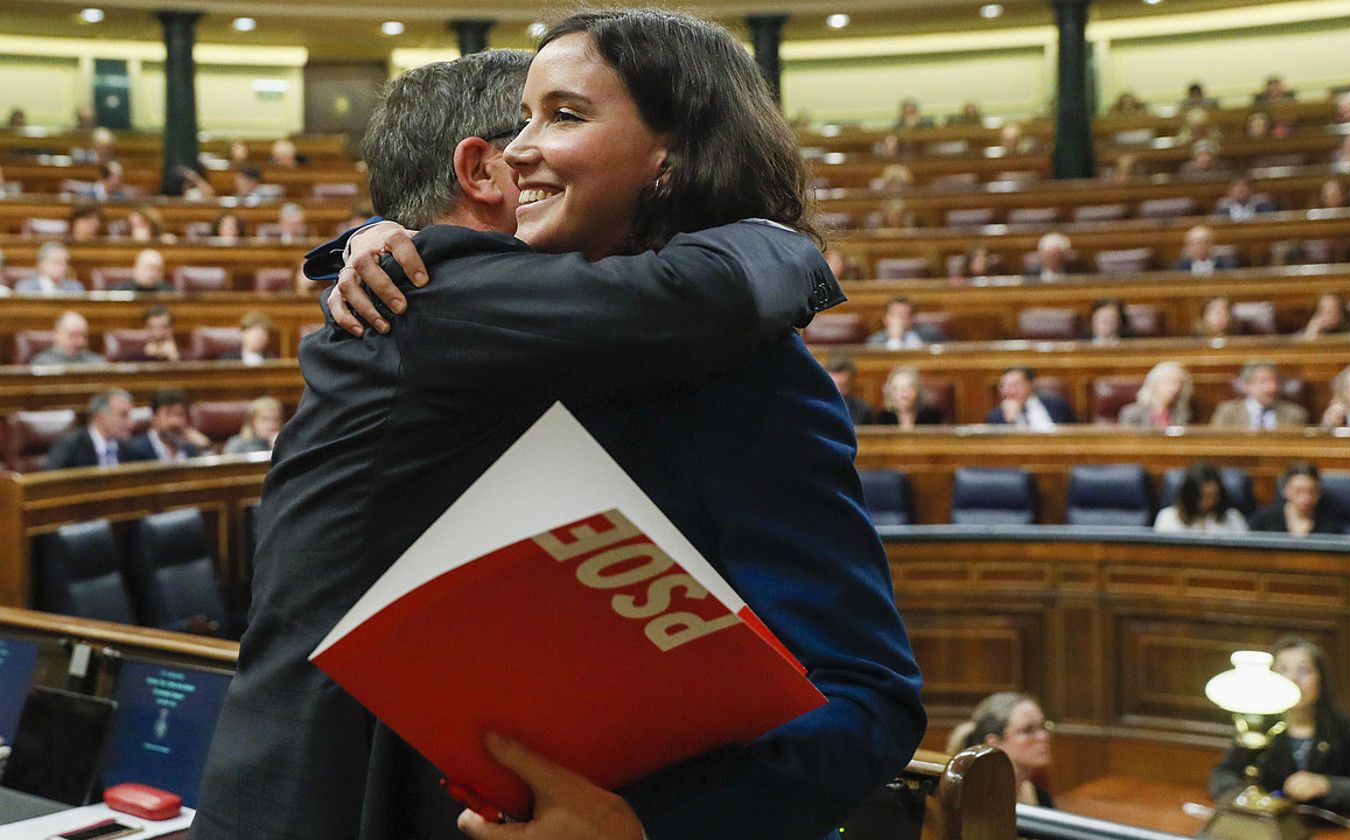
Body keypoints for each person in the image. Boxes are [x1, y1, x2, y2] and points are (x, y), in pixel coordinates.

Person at [193, 29, 921, 840]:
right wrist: (369, 233)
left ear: (672, 153)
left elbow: (866, 693)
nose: (522, 151)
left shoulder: (751, 377)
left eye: (562, 116)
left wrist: (649, 828)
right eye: (519, 124)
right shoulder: (416, 300)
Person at [1209, 637, 1350, 817]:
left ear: (1321, 680)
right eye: (1282, 670)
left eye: (1304, 670)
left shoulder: (1346, 730)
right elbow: (1222, 775)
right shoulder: (1256, 725)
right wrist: (1249, 801)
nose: (1292, 678)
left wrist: (1327, 785)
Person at [947, 693, 1054, 807]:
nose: (1043, 737)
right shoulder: (973, 800)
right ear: (994, 743)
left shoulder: (1039, 797)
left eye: (1043, 726)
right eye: (1028, 730)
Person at [47, 389, 149, 469]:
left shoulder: (129, 449)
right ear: (101, 417)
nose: (132, 423)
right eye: (123, 415)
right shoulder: (69, 447)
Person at [1247, 462, 1341, 536]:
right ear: (1285, 490)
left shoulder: (1331, 527)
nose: (1305, 498)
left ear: (1319, 493)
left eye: (1311, 491)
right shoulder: (1263, 520)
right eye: (1298, 491)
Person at [1153, 462, 1248, 533]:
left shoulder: (1233, 518)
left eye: (1215, 496)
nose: (1210, 501)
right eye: (1204, 497)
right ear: (1190, 496)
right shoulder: (1167, 518)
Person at [1211, 361, 1308, 430]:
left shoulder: (1295, 415)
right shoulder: (1227, 413)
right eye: (1264, 381)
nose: (1272, 387)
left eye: (1275, 381)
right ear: (1247, 385)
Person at [128, 388, 209, 462]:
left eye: (180, 415)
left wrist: (205, 447)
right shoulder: (135, 449)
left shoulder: (190, 448)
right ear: (154, 418)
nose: (175, 422)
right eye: (169, 414)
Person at [985, 366, 1074, 429]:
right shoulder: (996, 416)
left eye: (1015, 385)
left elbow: (1075, 433)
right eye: (1004, 385)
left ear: (1031, 385)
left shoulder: (1056, 404)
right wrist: (1009, 421)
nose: (1009, 391)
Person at [1119, 361, 1192, 428]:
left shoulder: (1183, 413)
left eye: (1179, 383)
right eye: (1170, 382)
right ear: (1154, 383)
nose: (1176, 388)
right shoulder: (1132, 413)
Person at [875, 367, 942, 429]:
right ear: (890, 392)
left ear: (917, 390)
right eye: (897, 388)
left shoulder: (932, 417)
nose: (903, 392)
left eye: (909, 387)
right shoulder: (883, 418)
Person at [30, 311, 106, 366]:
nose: (80, 342)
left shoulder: (97, 363)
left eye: (83, 336)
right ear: (56, 335)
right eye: (73, 335)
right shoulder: (42, 364)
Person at [865, 297, 941, 350]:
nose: (900, 319)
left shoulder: (930, 335)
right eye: (895, 315)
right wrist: (895, 339)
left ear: (912, 319)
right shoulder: (875, 341)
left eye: (904, 315)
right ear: (885, 319)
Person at [15, 242, 84, 294]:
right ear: (41, 264)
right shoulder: (25, 288)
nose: (63, 267)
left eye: (65, 262)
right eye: (57, 262)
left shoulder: (75, 288)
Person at [824, 355, 873, 425]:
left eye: (843, 386)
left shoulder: (863, 411)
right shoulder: (816, 407)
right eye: (834, 385)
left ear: (851, 384)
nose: (839, 392)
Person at [1174, 225, 1238, 275]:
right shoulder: (1180, 268)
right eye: (1192, 244)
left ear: (1211, 245)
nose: (1197, 247)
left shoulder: (1227, 265)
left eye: (1201, 243)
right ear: (1187, 248)